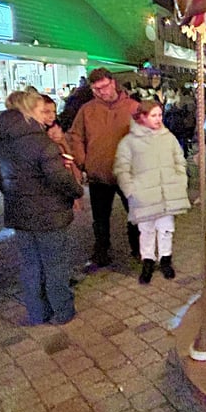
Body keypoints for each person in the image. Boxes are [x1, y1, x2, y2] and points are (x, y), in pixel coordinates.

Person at [0, 91, 83, 325]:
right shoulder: (42, 143)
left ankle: (38, 313)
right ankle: (62, 311)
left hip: (18, 213)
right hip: (49, 214)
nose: (45, 116)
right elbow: (60, 179)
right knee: (55, 264)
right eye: (41, 111)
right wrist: (77, 190)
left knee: (30, 265)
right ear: (29, 111)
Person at [69, 68, 140, 268]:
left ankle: (138, 249)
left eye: (104, 87)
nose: (102, 92)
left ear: (113, 83)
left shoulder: (133, 107)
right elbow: (75, 135)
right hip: (98, 174)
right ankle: (101, 251)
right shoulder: (87, 110)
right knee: (100, 218)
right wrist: (83, 161)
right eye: (96, 89)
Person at [114, 100, 191, 284]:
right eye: (153, 115)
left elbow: (179, 160)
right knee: (146, 230)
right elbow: (122, 168)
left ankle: (166, 259)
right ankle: (147, 261)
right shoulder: (130, 142)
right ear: (142, 117)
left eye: (160, 115)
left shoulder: (168, 138)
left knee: (165, 229)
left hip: (166, 194)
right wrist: (131, 191)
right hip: (144, 196)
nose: (158, 119)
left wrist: (180, 180)